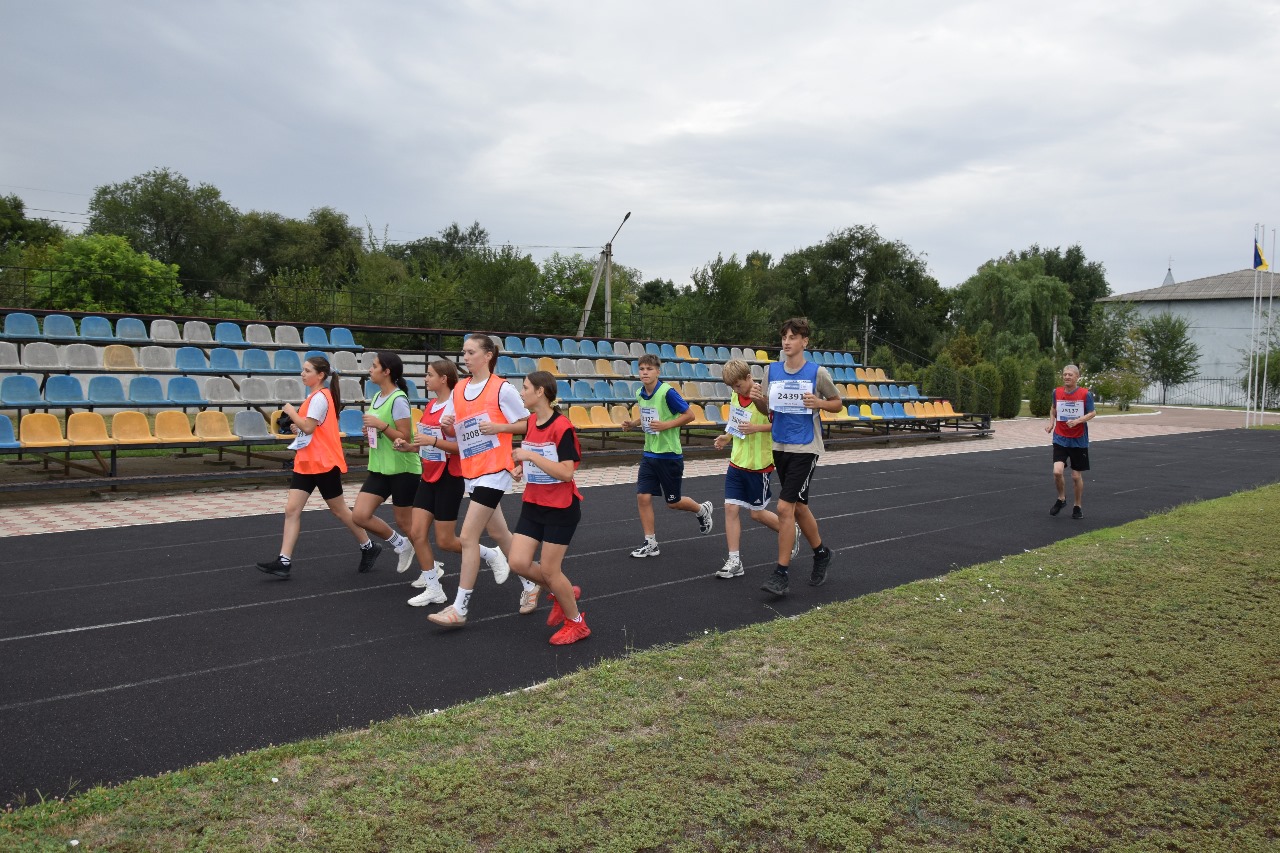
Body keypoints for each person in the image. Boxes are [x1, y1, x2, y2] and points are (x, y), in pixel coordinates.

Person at [428, 334, 539, 628]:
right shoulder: (460, 388)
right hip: (472, 471)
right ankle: (536, 582)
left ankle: (459, 608)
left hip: (495, 469)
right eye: (463, 352)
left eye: (471, 352)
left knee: (467, 537)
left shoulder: (502, 389)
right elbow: (455, 432)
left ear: (488, 355)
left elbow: (530, 422)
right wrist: (446, 425)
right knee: (501, 535)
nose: (465, 357)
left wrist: (500, 427)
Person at [257, 355, 377, 578]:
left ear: (320, 375)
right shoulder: (314, 397)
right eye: (303, 370)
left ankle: (368, 546)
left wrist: (292, 413)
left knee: (340, 511)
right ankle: (284, 561)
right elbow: (308, 428)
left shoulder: (321, 397)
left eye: (307, 370)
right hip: (307, 462)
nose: (302, 374)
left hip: (323, 462)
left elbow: (310, 427)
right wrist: (297, 428)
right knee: (292, 509)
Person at [749, 318, 841, 596]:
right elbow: (767, 410)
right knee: (799, 506)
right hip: (780, 445)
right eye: (784, 337)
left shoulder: (817, 372)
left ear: (805, 342)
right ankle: (822, 553)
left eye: (793, 336)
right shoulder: (772, 371)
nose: (787, 341)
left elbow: (837, 403)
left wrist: (820, 403)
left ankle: (781, 573)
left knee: (784, 508)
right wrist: (756, 398)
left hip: (805, 447)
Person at [509, 371, 591, 644]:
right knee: (518, 562)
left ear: (540, 392)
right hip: (534, 502)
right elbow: (539, 457)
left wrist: (529, 455)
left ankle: (577, 623)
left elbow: (567, 472)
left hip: (560, 507)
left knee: (549, 571)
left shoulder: (562, 427)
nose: (521, 393)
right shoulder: (532, 421)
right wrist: (522, 468)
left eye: (525, 388)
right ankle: (562, 592)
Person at [711, 359, 800, 578]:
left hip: (759, 464)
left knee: (757, 514)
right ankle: (734, 561)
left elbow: (780, 423)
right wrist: (726, 436)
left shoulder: (764, 396)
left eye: (738, 385)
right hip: (737, 461)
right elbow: (735, 420)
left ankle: (789, 530)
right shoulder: (735, 395)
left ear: (749, 378)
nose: (736, 389)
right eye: (732, 387)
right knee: (730, 508)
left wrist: (756, 428)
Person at [621, 353, 714, 557]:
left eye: (649, 369)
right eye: (642, 369)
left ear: (658, 371)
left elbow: (690, 415)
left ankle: (701, 510)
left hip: (669, 455)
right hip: (649, 454)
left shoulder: (667, 392)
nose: (645, 372)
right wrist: (633, 423)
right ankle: (651, 543)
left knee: (673, 502)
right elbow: (647, 413)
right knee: (643, 497)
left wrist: (665, 426)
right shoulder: (640, 393)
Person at [394, 359, 464, 606]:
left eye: (429, 374)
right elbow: (425, 443)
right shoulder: (432, 405)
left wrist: (432, 442)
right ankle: (434, 588)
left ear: (444, 378)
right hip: (429, 475)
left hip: (449, 476)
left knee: (445, 541)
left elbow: (461, 448)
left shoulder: (457, 407)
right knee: (416, 532)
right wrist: (408, 447)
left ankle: (487, 554)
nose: (425, 379)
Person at [350, 351, 421, 574]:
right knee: (359, 515)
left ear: (386, 371)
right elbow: (381, 429)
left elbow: (405, 437)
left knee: (406, 524)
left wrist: (380, 426)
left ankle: (430, 570)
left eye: (374, 366)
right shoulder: (376, 397)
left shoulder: (398, 399)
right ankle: (400, 544)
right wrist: (370, 430)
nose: (370, 370)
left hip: (403, 469)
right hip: (380, 467)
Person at [1045, 363, 1096, 519]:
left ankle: (1077, 506)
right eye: (1065, 374)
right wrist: (1051, 422)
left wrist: (1078, 421)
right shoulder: (1057, 392)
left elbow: (1092, 413)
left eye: (1070, 375)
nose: (1066, 377)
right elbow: (1053, 408)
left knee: (1075, 476)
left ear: (1077, 377)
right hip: (1060, 437)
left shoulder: (1085, 394)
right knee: (1057, 471)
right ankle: (1061, 498)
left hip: (1078, 439)